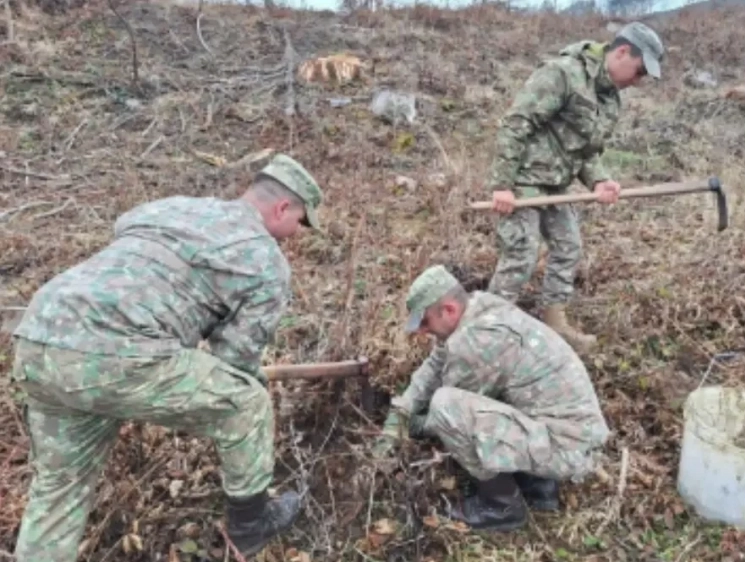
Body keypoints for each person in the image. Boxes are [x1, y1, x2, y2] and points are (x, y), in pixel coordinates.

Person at [9, 154, 324, 561]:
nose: (296, 235)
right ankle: (251, 525)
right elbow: (235, 361)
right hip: (114, 353)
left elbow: (125, 228)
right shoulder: (266, 261)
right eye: (300, 222)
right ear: (283, 208)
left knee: (59, 490)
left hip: (40, 336)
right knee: (247, 402)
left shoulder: (173, 207)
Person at [371, 265, 611, 531]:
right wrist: (403, 408)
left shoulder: (474, 343)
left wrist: (414, 426)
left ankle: (500, 506)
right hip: (567, 432)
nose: (422, 331)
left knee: (445, 405)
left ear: (449, 309)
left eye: (425, 322)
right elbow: (437, 361)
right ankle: (538, 487)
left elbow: (453, 415)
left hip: (567, 448)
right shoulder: (480, 306)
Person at [484, 22, 665, 353]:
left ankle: (554, 322)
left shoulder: (609, 99)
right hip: (524, 179)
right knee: (521, 254)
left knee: (568, 247)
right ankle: (488, 331)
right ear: (622, 52)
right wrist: (502, 185)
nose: (638, 82)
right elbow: (515, 124)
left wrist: (599, 179)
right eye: (639, 72)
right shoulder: (563, 74)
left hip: (558, 184)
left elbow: (585, 151)